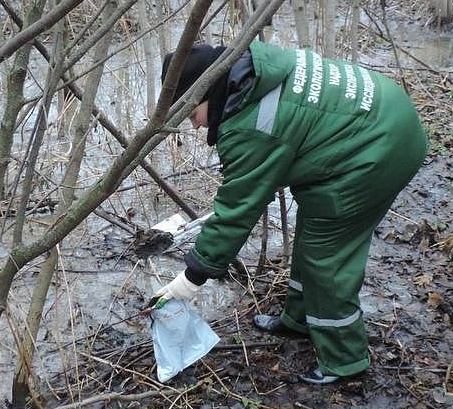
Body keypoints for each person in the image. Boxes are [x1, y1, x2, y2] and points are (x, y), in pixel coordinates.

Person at [151, 40, 428, 385]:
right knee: (314, 230)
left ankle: (345, 361)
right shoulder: (255, 69)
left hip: (381, 146)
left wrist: (191, 279)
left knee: (326, 257)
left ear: (209, 91)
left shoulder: (250, 124)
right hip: (383, 115)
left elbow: (237, 209)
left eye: (193, 113)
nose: (194, 126)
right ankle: (299, 319)